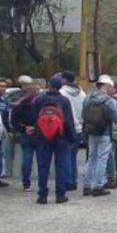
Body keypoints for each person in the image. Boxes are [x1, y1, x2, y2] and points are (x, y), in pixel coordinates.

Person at [33, 75, 77, 204]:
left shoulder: (40, 100)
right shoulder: (64, 101)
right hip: (61, 137)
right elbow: (68, 121)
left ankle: (42, 194)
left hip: (42, 137)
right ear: (61, 86)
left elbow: (34, 118)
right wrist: (72, 137)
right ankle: (60, 194)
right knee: (61, 165)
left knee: (43, 166)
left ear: (49, 84)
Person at [82, 75, 117, 197]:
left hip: (91, 131)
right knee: (102, 158)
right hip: (104, 132)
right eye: (111, 87)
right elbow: (116, 118)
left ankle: (87, 185)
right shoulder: (108, 101)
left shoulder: (88, 97)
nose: (111, 89)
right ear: (107, 86)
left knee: (91, 157)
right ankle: (98, 186)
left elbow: (83, 113)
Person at [10, 76, 41, 192]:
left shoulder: (19, 104)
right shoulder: (40, 103)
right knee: (41, 160)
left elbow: (13, 121)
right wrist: (35, 127)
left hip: (26, 134)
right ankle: (41, 181)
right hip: (38, 134)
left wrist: (23, 128)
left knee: (26, 159)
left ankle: (26, 183)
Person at [59, 71, 85, 191]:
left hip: (66, 127)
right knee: (73, 156)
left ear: (64, 80)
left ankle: (68, 180)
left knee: (65, 155)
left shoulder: (62, 93)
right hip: (79, 128)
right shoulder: (81, 92)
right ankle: (73, 179)